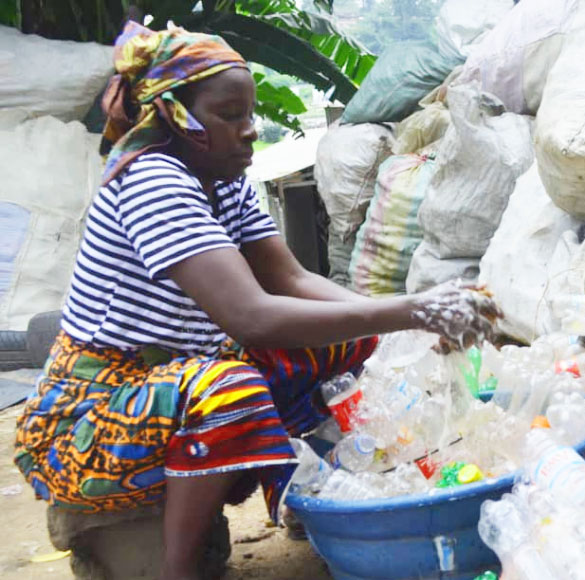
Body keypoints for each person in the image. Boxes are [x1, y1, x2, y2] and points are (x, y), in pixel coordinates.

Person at [12, 22, 498, 580]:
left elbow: (291, 279)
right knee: (231, 392)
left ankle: (310, 485)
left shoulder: (222, 179)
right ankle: (178, 570)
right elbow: (253, 318)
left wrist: (394, 325)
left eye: (249, 114)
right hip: (99, 411)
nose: (248, 131)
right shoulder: (150, 179)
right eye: (230, 115)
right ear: (176, 116)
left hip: (176, 382)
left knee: (343, 333)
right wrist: (414, 309)